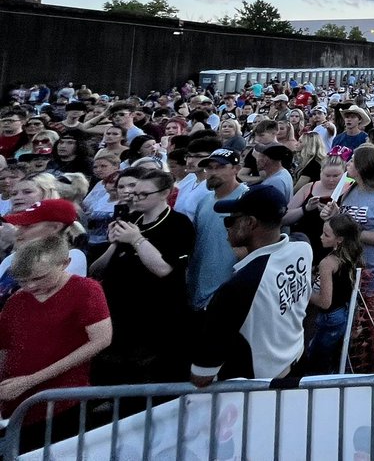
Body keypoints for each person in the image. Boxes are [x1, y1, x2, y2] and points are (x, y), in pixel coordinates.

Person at [191, 184, 313, 386]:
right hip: (297, 364)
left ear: (250, 223)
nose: (227, 227)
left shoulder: (237, 288)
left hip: (258, 388)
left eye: (230, 220)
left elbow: (201, 376)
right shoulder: (303, 247)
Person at [0, 235, 112, 452]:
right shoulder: (16, 301)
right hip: (18, 408)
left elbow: (101, 340)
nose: (30, 286)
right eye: (22, 280)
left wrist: (30, 381)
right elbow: (4, 348)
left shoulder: (86, 290)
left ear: (64, 264)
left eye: (39, 278)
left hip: (63, 404)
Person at [90, 167, 194, 384]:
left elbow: (164, 269)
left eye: (143, 194)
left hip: (156, 320)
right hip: (120, 314)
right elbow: (97, 270)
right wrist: (115, 243)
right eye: (133, 193)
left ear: (164, 193)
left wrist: (136, 240)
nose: (135, 198)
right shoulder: (132, 220)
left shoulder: (178, 224)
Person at [324, 144, 374, 361]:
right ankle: (350, 360)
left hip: (373, 268)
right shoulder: (351, 188)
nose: (347, 164)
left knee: (372, 319)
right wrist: (335, 216)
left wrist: (354, 234)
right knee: (350, 318)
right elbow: (349, 220)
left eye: (352, 161)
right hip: (347, 265)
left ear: (363, 166)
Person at [187, 148, 247, 311]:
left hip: (226, 291)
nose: (212, 172)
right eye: (210, 168)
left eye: (220, 167)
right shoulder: (205, 200)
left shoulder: (247, 200)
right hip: (198, 285)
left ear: (236, 169)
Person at [305, 213, 363, 374]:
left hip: (330, 316)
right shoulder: (352, 255)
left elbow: (325, 302)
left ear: (340, 239)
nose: (321, 237)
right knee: (334, 355)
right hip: (344, 312)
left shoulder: (327, 263)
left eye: (326, 234)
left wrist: (304, 292)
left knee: (317, 359)